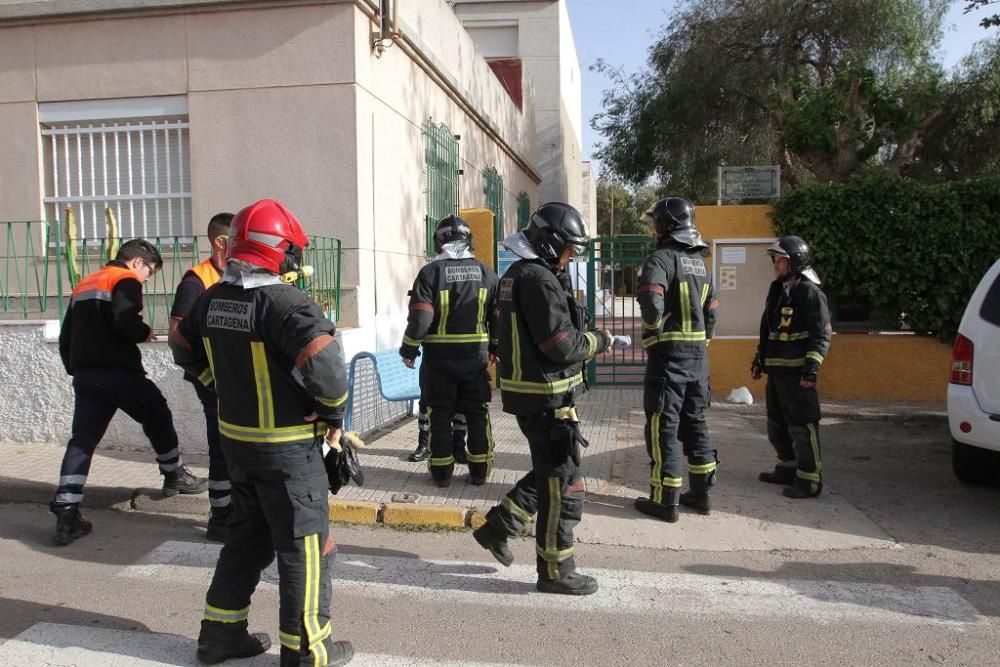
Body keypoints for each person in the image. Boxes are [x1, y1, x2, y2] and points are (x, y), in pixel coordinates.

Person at [170, 199, 353, 666]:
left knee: (246, 538)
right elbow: (328, 370)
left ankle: (220, 636)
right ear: (280, 251)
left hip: (238, 447)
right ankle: (308, 651)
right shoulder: (287, 303)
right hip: (288, 451)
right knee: (306, 549)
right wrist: (330, 413)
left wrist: (213, 387)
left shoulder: (211, 299)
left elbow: (181, 343)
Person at [472, 201, 629, 596]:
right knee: (566, 487)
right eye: (569, 248)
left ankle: (499, 527)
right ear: (549, 242)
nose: (571, 255)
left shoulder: (517, 274)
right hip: (546, 398)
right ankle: (556, 571)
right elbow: (560, 344)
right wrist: (601, 340)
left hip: (534, 397)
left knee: (551, 472)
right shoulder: (538, 279)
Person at [52, 239, 207, 546]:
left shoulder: (85, 283)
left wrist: (76, 369)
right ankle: (173, 474)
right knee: (157, 413)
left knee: (82, 442)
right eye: (149, 272)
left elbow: (66, 334)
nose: (146, 279)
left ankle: (67, 510)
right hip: (119, 373)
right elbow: (124, 321)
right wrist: (144, 332)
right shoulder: (124, 279)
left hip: (87, 376)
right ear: (138, 263)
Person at [634, 197, 719, 523]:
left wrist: (654, 328)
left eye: (655, 222)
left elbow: (651, 304)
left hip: (667, 362)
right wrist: (700, 344)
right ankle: (701, 495)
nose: (653, 227)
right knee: (696, 424)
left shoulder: (660, 259)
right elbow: (713, 315)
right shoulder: (701, 264)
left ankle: (665, 500)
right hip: (698, 361)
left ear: (666, 225)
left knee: (662, 428)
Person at [399, 215, 499, 487]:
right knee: (477, 413)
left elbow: (420, 318)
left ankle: (442, 474)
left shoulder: (430, 273)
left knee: (439, 414)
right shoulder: (487, 273)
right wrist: (496, 346)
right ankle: (479, 472)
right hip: (475, 359)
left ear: (438, 241)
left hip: (439, 361)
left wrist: (409, 348)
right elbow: (498, 315)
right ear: (469, 240)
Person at [169, 212, 234, 542]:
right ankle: (221, 514)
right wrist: (208, 379)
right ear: (221, 243)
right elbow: (177, 339)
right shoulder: (197, 281)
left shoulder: (234, 277)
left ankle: (235, 509)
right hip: (213, 381)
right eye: (239, 239)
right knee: (222, 444)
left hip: (234, 381)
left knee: (237, 444)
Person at [751, 235, 831, 499]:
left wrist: (811, 370)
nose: (776, 264)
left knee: (802, 425)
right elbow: (769, 330)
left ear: (794, 262)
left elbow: (821, 335)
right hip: (777, 371)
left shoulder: (810, 293)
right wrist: (760, 359)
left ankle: (810, 480)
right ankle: (788, 467)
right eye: (775, 260)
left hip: (797, 373)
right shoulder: (778, 290)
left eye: (781, 260)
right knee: (777, 424)